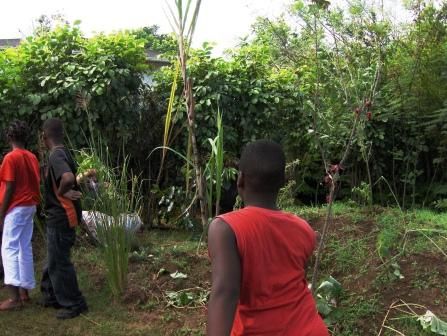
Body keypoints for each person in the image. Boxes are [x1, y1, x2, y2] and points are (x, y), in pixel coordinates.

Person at [207, 140, 329, 336]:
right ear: (282, 182)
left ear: (240, 180)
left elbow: (226, 292)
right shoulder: (304, 229)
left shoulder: (225, 229)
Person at [40, 118, 88, 319]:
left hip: (61, 216)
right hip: (63, 215)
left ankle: (74, 303)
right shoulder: (64, 151)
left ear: (44, 137)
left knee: (60, 261)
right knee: (53, 258)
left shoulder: (55, 155)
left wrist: (62, 192)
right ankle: (51, 296)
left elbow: (67, 178)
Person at [0, 120, 40, 310]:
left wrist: (1, 214)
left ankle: (14, 299)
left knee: (9, 248)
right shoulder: (32, 156)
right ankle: (24, 293)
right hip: (30, 205)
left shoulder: (10, 158)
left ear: (9, 137)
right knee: (24, 247)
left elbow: (9, 187)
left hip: (15, 207)